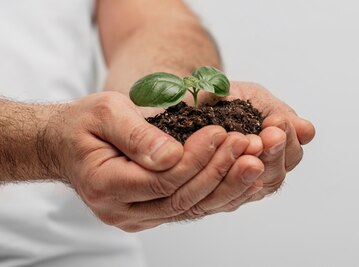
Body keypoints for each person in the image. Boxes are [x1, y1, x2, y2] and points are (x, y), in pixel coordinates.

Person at [0, 0, 315, 266]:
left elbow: (151, 20)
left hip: (85, 252)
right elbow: (49, 141)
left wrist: (174, 89)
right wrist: (43, 143)